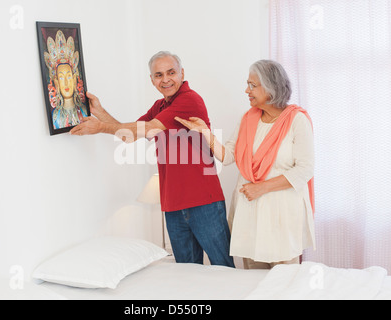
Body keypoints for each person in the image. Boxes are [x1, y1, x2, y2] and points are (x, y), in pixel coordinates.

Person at [70, 51, 235, 268]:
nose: (165, 79)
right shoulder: (160, 106)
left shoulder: (189, 100)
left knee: (223, 267)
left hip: (204, 202)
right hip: (173, 205)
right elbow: (128, 134)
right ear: (151, 79)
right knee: (187, 272)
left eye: (171, 72)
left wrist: (100, 127)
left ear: (182, 73)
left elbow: (148, 128)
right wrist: (100, 112)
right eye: (158, 75)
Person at [175, 60, 315, 269]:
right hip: (250, 212)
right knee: (252, 282)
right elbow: (228, 155)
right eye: (247, 84)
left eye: (252, 85)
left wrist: (261, 188)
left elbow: (305, 169)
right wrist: (205, 131)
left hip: (282, 215)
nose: (246, 90)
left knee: (286, 281)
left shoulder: (297, 120)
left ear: (271, 87)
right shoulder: (248, 119)